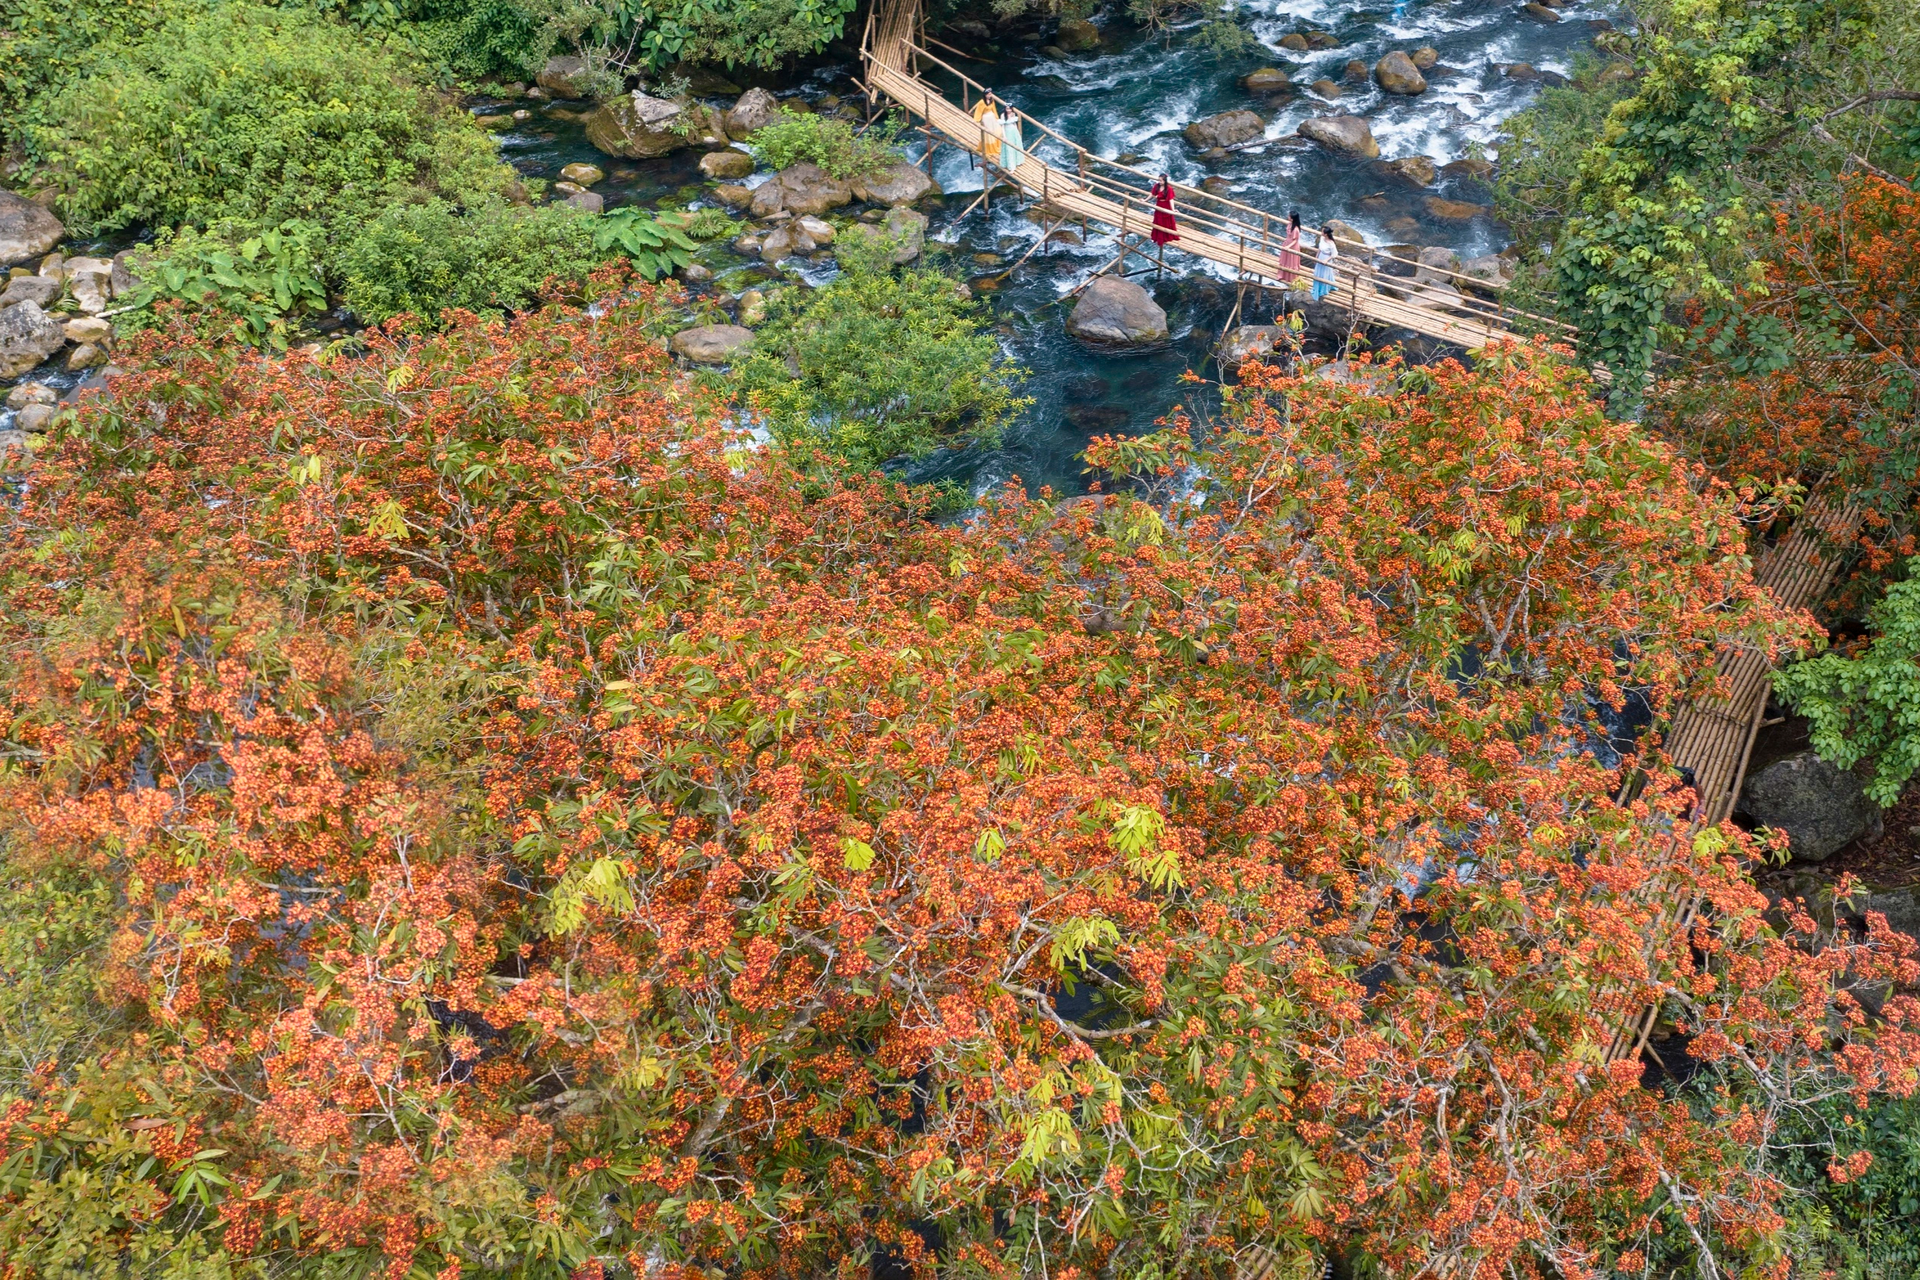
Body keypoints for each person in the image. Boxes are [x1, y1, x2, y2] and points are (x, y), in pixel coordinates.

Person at [972, 93, 1002, 166]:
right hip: (986, 118)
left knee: (997, 130)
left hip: (991, 117)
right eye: (988, 94)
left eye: (990, 94)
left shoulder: (992, 100)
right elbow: (979, 111)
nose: (990, 95)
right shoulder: (982, 102)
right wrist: (977, 120)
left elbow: (994, 109)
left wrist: (996, 117)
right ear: (985, 95)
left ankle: (997, 145)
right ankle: (990, 148)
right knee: (989, 132)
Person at [1312, 224, 1339, 301]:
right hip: (1321, 256)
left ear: (1326, 234)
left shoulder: (1331, 243)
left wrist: (1327, 260)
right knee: (1318, 272)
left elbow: (1334, 254)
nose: (1321, 232)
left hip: (1326, 258)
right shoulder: (1322, 238)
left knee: (1325, 273)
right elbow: (1319, 249)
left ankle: (1324, 289)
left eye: (1322, 231)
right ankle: (1317, 287)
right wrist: (1316, 257)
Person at [1150, 174, 1179, 247]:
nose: (1159, 182)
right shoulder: (1157, 186)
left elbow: (1171, 199)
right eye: (1159, 180)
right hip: (1159, 205)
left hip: (1166, 205)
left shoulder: (1169, 188)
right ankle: (1158, 236)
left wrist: (1173, 209)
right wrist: (1145, 200)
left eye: (1161, 180)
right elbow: (1152, 194)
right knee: (1159, 220)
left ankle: (1166, 236)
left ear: (1164, 181)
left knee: (1166, 221)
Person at [1000, 103, 1026, 179]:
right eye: (1007, 109)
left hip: (1014, 131)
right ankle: (1012, 167)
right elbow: (1002, 126)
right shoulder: (1002, 115)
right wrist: (1004, 136)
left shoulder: (1013, 114)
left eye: (1009, 109)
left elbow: (1014, 124)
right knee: (1009, 149)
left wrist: (1017, 132)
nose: (1008, 110)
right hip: (1007, 132)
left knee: (1016, 146)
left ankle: (1018, 161)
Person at [1278, 209, 1302, 283]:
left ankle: (1290, 277)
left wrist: (1288, 246)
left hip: (1292, 245)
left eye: (1289, 216)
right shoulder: (1290, 224)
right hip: (1287, 242)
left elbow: (1295, 240)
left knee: (1291, 261)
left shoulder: (1295, 229)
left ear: (1292, 219)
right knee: (1285, 259)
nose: (1288, 217)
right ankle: (1283, 275)